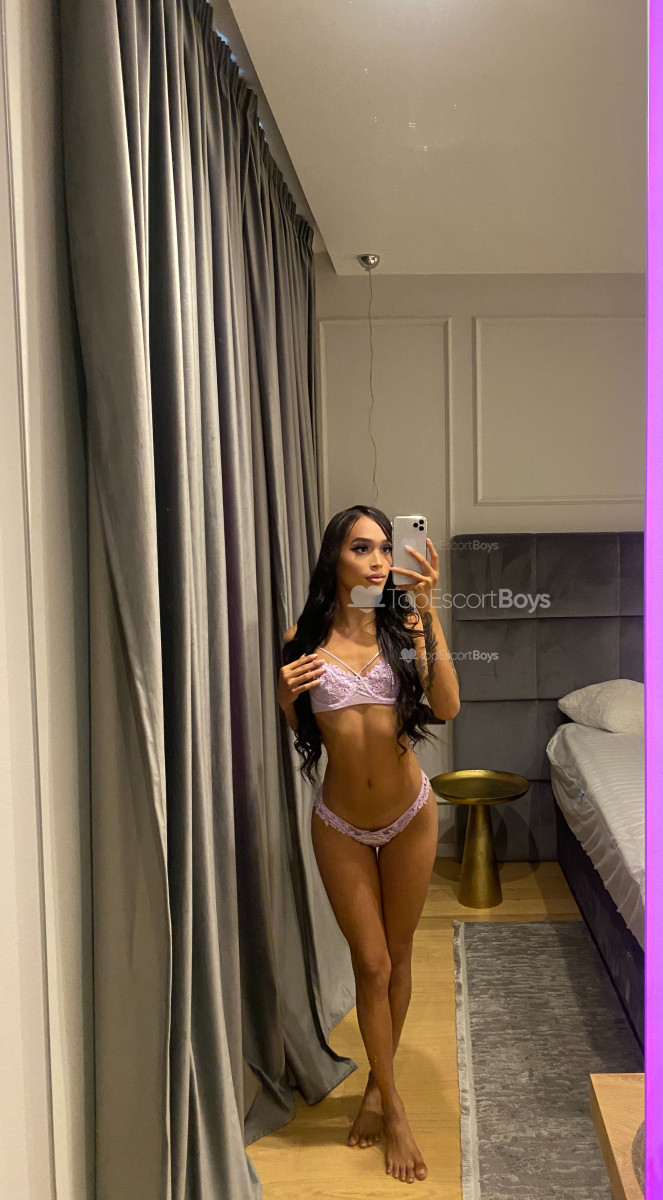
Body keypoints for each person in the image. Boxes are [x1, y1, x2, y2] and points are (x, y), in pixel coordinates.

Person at [278, 505, 460, 1184]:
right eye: (363, 548)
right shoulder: (301, 639)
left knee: (400, 955)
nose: (380, 560)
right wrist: (283, 696)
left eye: (386, 547)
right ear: (335, 558)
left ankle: (379, 1092)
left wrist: (429, 612)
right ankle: (396, 1110)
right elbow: (301, 729)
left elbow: (448, 707)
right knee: (372, 963)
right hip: (341, 824)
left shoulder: (405, 627)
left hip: (409, 814)